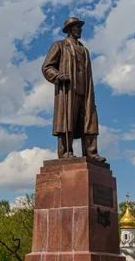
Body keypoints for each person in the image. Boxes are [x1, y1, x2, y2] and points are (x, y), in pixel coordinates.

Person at [41, 17, 106, 162]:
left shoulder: (84, 50)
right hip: (69, 91)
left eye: (80, 27)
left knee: (90, 122)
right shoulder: (60, 45)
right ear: (70, 29)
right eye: (77, 27)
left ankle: (91, 153)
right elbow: (47, 67)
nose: (80, 30)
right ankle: (65, 152)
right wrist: (57, 76)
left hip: (85, 92)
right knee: (67, 121)